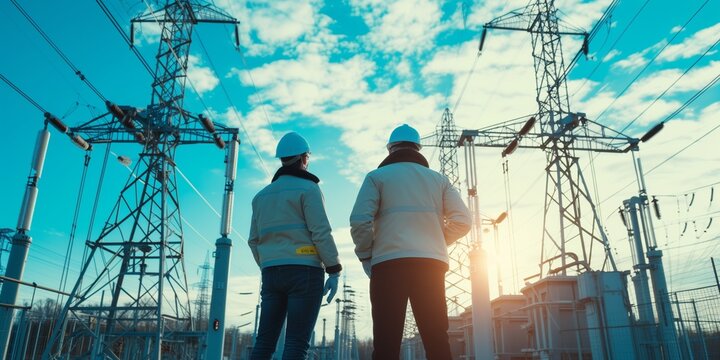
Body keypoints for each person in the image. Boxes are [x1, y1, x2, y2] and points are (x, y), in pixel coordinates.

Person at [350, 124, 471, 360]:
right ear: (418, 148)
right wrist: (435, 240)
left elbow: (359, 221)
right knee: (436, 338)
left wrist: (366, 255)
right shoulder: (439, 180)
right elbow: (463, 221)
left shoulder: (376, 177)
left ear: (390, 149)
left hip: (388, 266)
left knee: (386, 341)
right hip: (430, 266)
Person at [249, 132, 342, 360]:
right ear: (303, 158)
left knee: (264, 342)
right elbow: (320, 232)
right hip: (305, 273)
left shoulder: (261, 197)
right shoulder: (309, 189)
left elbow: (253, 240)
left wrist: (269, 264)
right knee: (296, 344)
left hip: (271, 273)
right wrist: (334, 269)